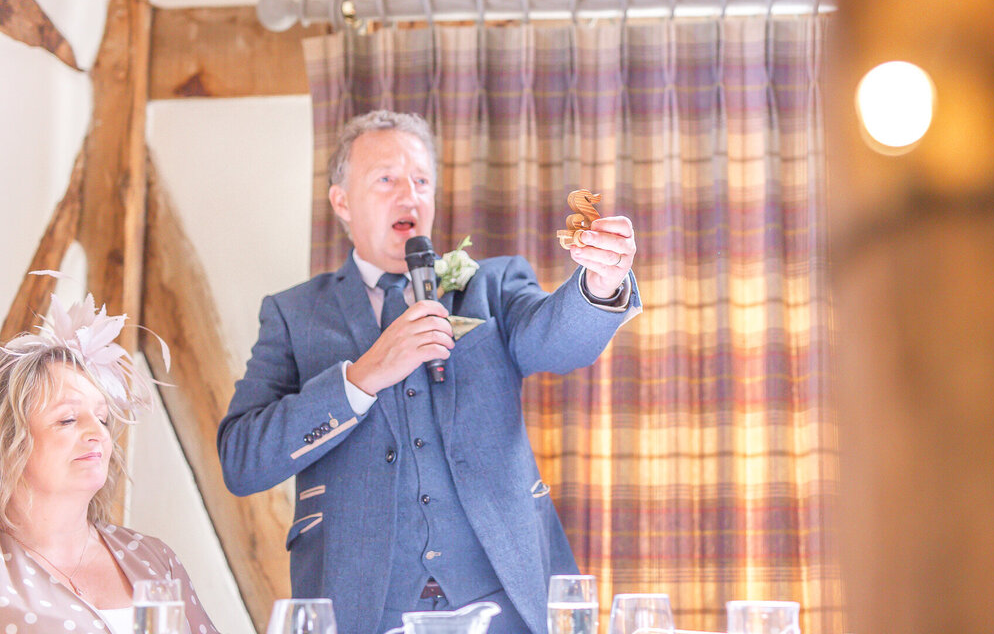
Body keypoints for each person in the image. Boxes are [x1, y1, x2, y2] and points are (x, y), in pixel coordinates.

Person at [217, 110, 639, 634]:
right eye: (387, 180)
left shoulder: (491, 284)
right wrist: (363, 377)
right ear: (342, 202)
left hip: (506, 599)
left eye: (421, 181)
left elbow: (556, 340)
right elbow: (241, 461)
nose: (409, 196)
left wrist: (599, 285)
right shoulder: (294, 314)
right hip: (362, 607)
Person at [0, 293, 220, 634]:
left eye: (102, 418)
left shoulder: (154, 558)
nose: (98, 434)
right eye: (68, 419)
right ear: (9, 442)